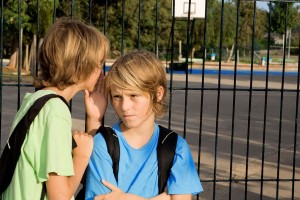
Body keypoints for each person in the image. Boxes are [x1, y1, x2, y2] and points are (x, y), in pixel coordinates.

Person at [1, 17, 109, 200]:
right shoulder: (56, 112)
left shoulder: (37, 100)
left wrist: (93, 118)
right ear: (82, 66)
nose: (101, 70)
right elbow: (59, 196)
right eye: (99, 63)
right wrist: (82, 155)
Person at [85, 49, 203, 200]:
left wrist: (127, 198)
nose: (124, 106)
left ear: (158, 94)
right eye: (117, 96)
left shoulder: (175, 146)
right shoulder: (102, 144)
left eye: (133, 95)